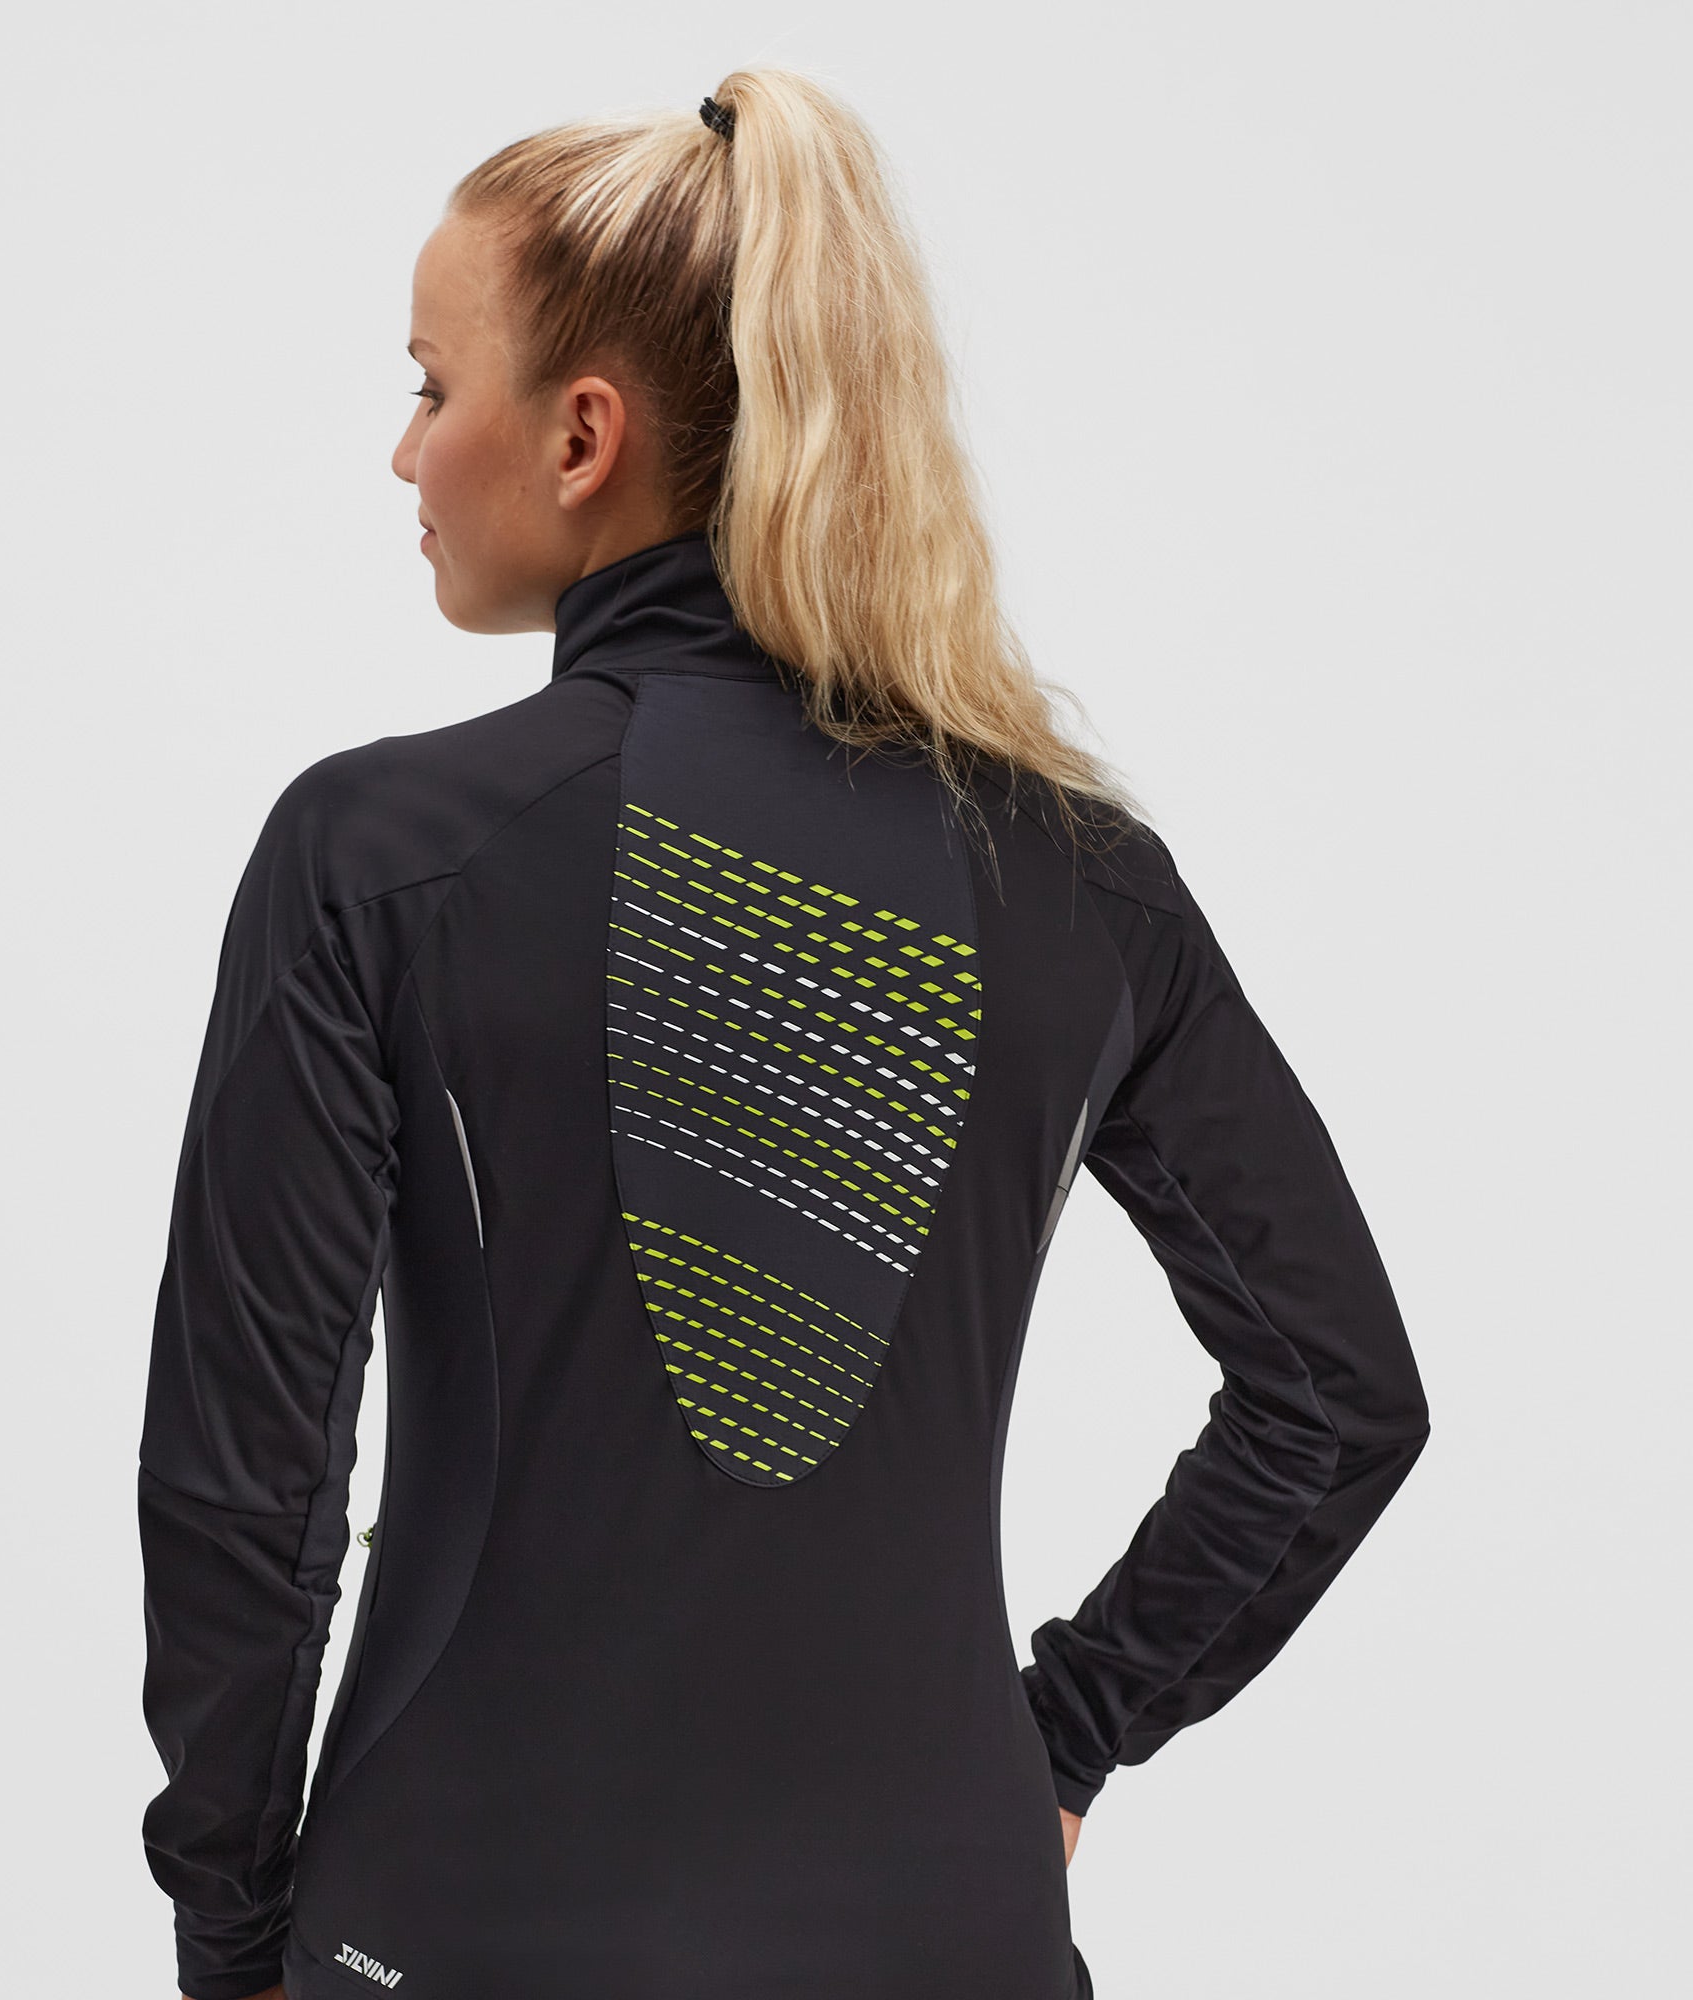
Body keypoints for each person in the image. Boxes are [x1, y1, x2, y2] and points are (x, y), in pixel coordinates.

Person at [136, 68, 1431, 2000]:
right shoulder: (1084, 884)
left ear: (584, 435)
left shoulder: (382, 859)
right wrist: (1062, 1735)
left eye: (429, 384)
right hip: (953, 1937)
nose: (406, 452)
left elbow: (248, 1486)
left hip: (463, 1929)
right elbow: (1337, 1398)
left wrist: (232, 1931)